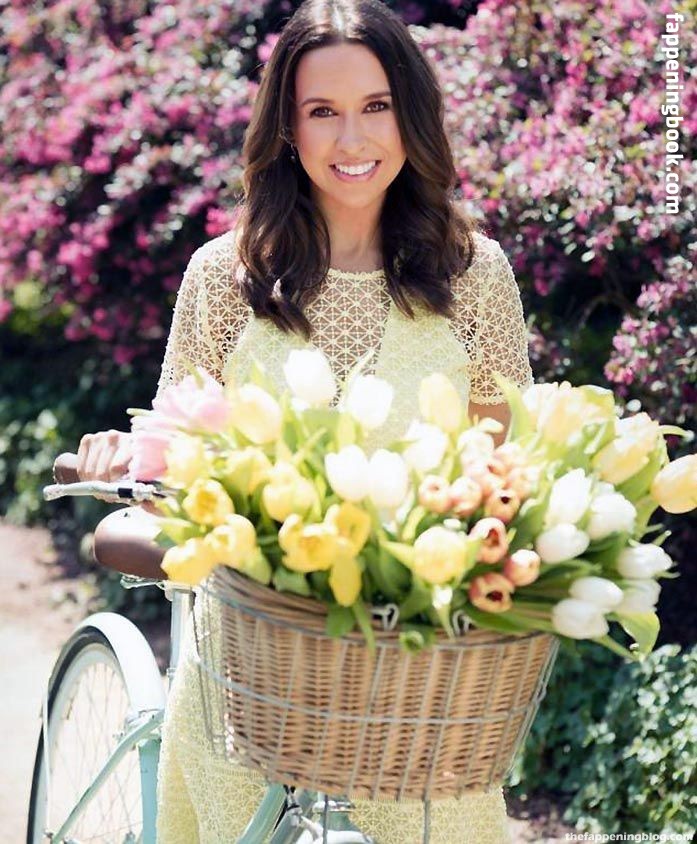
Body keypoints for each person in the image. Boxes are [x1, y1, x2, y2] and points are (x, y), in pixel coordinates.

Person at [75, 1, 533, 840]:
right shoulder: (225, 275)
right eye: (322, 111)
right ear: (286, 127)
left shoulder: (474, 275)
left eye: (375, 106)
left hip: (417, 673)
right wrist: (126, 458)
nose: (351, 139)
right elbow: (174, 450)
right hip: (252, 672)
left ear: (410, 113)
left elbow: (503, 476)